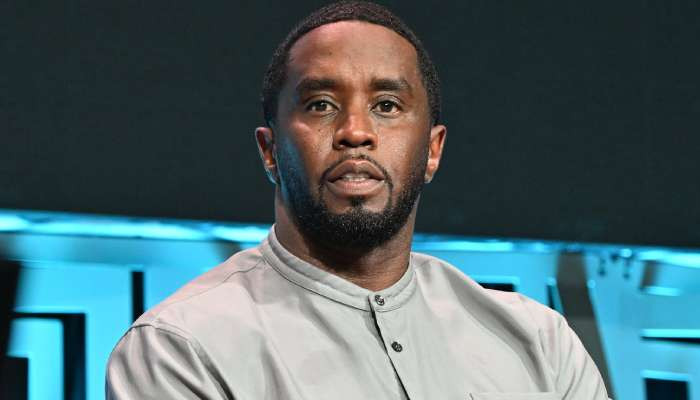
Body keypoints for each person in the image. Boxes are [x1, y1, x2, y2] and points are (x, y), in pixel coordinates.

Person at [106, 2, 610, 399]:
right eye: (321, 105)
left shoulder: (538, 341)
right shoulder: (181, 347)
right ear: (270, 150)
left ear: (433, 150)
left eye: (386, 105)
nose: (355, 131)